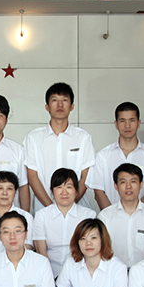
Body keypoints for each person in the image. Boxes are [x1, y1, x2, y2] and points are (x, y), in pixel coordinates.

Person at [24, 82, 95, 211]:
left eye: (65, 100)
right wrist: (52, 209)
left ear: (72, 106)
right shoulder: (34, 138)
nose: (60, 104)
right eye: (55, 100)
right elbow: (32, 177)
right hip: (44, 210)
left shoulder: (83, 137)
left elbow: (86, 176)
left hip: (78, 210)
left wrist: (69, 206)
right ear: (47, 107)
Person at [87, 102, 144, 209]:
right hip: (110, 218)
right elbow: (99, 193)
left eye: (132, 120)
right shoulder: (103, 156)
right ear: (116, 124)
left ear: (139, 123)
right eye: (122, 121)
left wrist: (136, 214)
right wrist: (112, 216)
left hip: (142, 217)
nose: (127, 125)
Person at [34, 168, 96, 278]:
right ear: (52, 191)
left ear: (76, 190)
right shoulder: (41, 216)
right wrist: (49, 278)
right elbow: (41, 251)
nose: (64, 192)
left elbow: (91, 250)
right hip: (50, 272)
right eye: (59, 187)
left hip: (80, 273)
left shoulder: (88, 215)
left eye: (69, 187)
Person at [97, 163, 144, 268]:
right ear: (116, 186)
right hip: (113, 273)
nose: (128, 186)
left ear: (141, 184)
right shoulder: (104, 217)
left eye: (133, 181)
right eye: (123, 182)